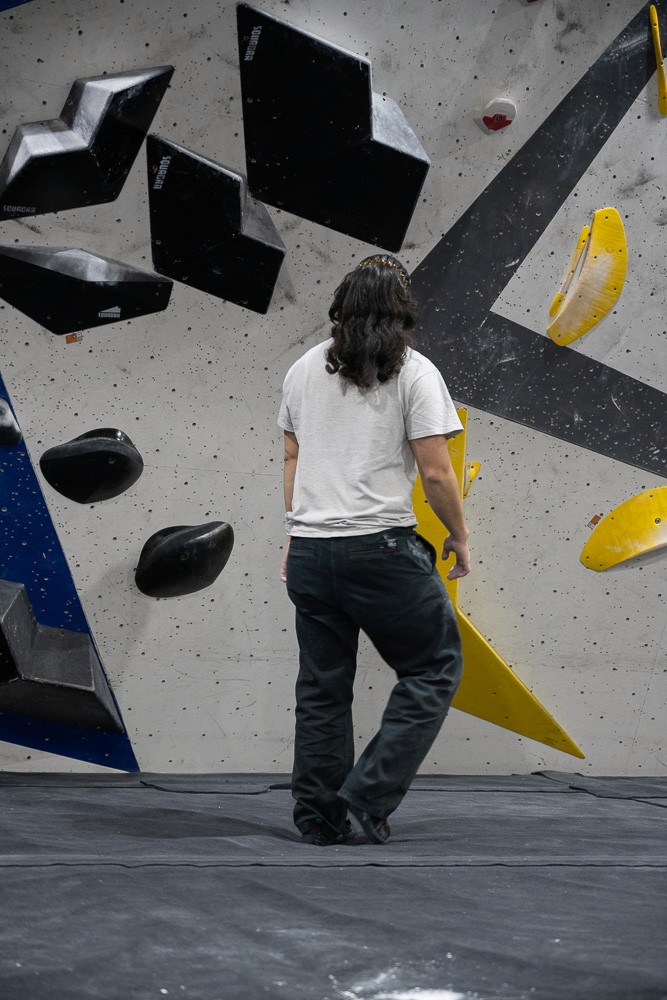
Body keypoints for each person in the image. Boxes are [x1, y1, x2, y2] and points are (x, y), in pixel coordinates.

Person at [277, 254, 470, 847]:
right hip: (380, 551)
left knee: (322, 689)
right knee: (435, 666)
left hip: (311, 551)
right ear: (402, 309)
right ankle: (368, 792)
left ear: (342, 301)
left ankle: (317, 818)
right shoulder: (414, 372)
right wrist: (459, 536)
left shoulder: (303, 369)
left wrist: (296, 534)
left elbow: (293, 458)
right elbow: (436, 474)